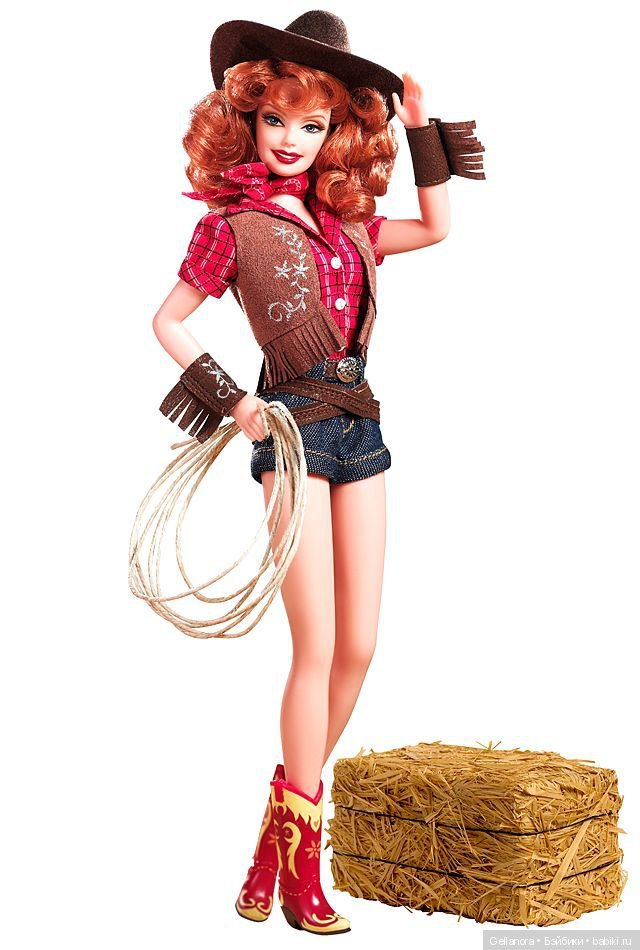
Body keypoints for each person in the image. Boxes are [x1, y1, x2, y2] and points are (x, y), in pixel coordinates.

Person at [151, 11, 484, 936]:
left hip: (361, 429)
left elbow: (439, 226)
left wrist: (421, 127)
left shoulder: (352, 224)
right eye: (275, 120)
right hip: (291, 435)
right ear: (248, 120)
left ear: (336, 128)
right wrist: (236, 404)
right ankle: (302, 867)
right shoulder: (233, 228)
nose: (290, 139)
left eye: (311, 123)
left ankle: (273, 839)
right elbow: (167, 321)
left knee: (360, 645)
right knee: (316, 645)